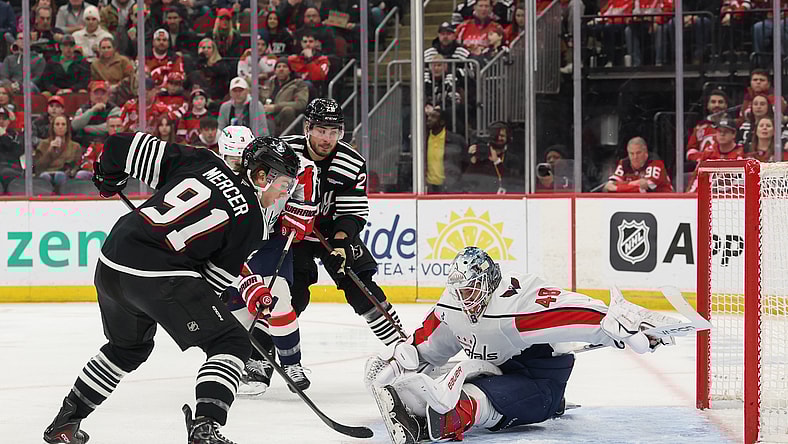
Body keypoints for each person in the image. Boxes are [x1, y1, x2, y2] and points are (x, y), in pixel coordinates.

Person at [42, 133, 301, 444]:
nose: (284, 194)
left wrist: (109, 177)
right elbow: (212, 283)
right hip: (158, 272)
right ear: (262, 176)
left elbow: (117, 147)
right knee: (230, 341)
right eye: (285, 185)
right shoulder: (254, 224)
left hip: (112, 260)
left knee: (127, 349)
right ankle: (205, 428)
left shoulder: (203, 161)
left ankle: (64, 424)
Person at [366, 246, 678, 443]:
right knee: (454, 376)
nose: (466, 299)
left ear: (488, 284)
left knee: (478, 396)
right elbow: (429, 345)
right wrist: (399, 363)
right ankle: (416, 408)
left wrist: (624, 329)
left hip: (539, 379)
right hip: (498, 369)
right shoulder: (452, 308)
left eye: (472, 289)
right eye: (461, 291)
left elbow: (574, 313)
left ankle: (450, 416)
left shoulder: (517, 308)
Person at [281, 98, 405, 346]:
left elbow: (352, 212)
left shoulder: (351, 162)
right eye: (321, 130)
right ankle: (264, 355)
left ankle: (401, 345)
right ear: (307, 128)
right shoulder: (285, 153)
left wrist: (341, 245)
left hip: (331, 232)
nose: (327, 138)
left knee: (361, 286)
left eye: (333, 131)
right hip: (293, 233)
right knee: (292, 293)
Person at [217, 125, 320, 396]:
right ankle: (248, 362)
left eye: (243, 159)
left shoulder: (272, 170)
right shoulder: (219, 184)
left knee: (278, 297)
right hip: (232, 246)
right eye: (232, 160)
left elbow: (305, 170)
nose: (239, 166)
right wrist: (248, 281)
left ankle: (291, 364)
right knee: (237, 310)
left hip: (268, 240)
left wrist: (303, 207)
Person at [604, 136, 674, 193]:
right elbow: (609, 186)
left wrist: (617, 187)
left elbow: (647, 189)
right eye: (631, 153)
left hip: (663, 203)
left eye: (638, 153)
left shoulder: (655, 162)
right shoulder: (624, 163)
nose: (635, 157)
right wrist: (635, 183)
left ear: (645, 152)